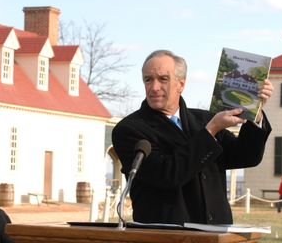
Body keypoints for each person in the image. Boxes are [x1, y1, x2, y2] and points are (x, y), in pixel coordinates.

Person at [112, 50, 273, 225]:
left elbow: (246, 157)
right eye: (148, 79)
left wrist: (255, 114)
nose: (154, 87)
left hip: (216, 233)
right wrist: (210, 131)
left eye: (163, 79)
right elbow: (168, 175)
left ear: (181, 84)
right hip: (166, 235)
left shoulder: (204, 119)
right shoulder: (129, 130)